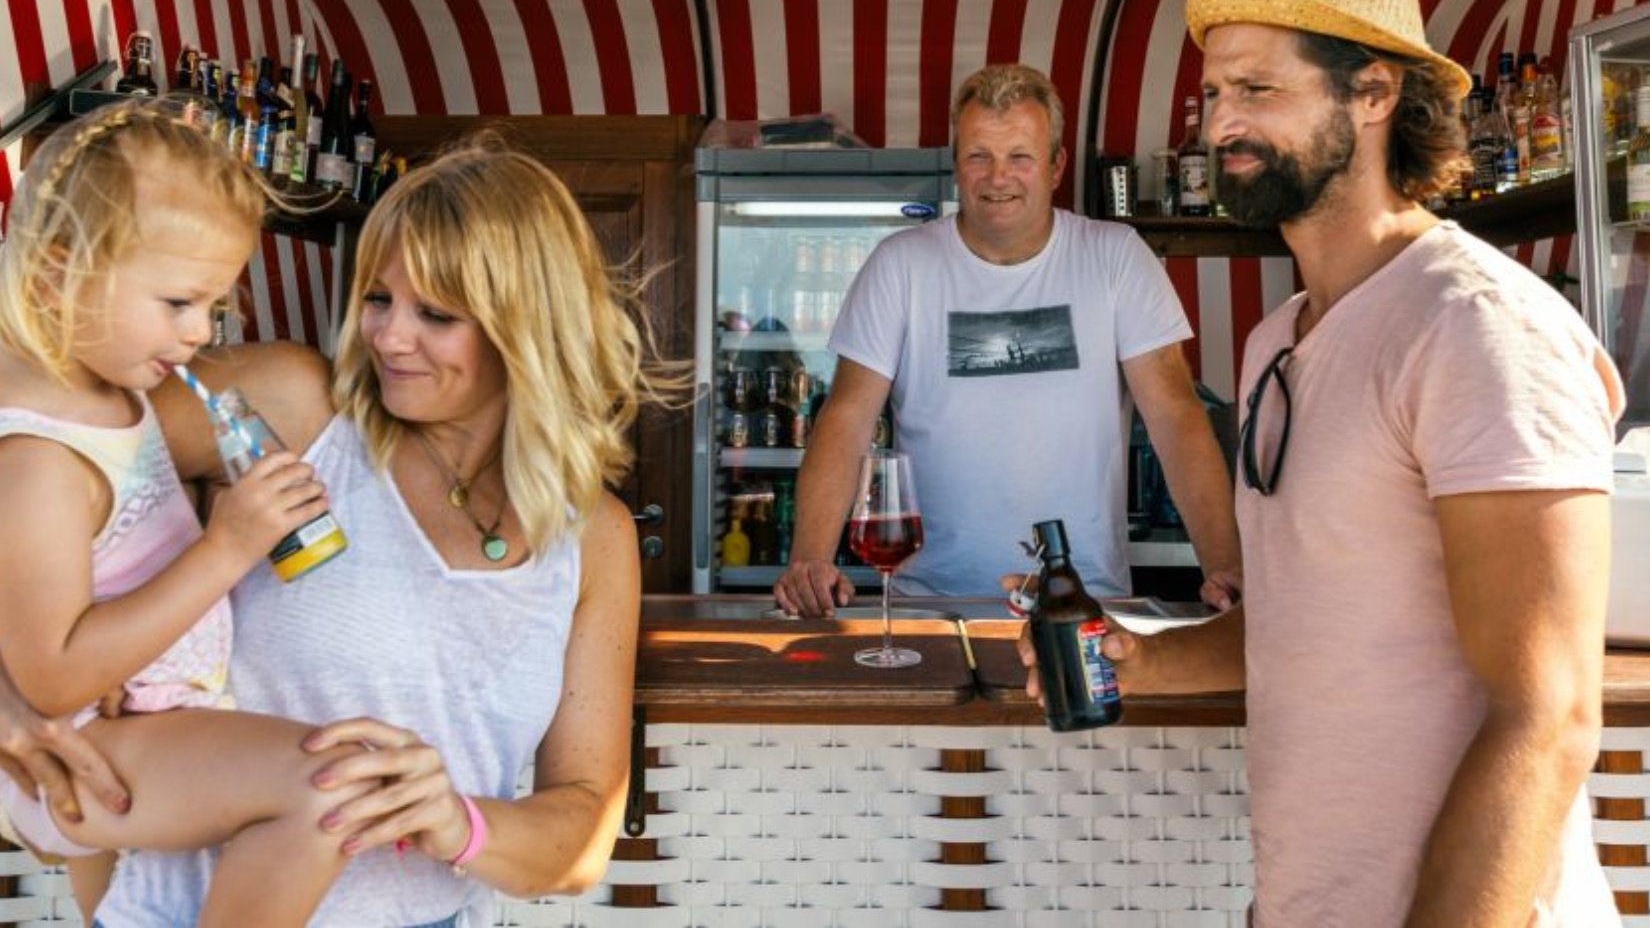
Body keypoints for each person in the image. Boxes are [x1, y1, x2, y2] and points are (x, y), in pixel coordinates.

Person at [1018, 0, 1623, 926]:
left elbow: (1548, 714)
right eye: (1215, 94)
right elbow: (1312, 621)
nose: (1222, 125)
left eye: (1260, 90)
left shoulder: (1476, 327)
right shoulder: (1277, 340)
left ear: (1375, 93)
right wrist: (1143, 658)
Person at [4, 135, 673, 926]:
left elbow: (583, 836)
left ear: (525, 328)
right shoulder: (294, 410)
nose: (388, 337)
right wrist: (15, 703)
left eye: (435, 313)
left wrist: (459, 821)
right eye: (378, 298)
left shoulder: (593, 535)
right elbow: (35, 451)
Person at [0, 102, 363, 926]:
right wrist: (229, 546)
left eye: (215, 308)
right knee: (331, 788)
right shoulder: (40, 461)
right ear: (59, 273)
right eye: (177, 302)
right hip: (90, 751)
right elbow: (51, 677)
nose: (200, 333)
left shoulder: (110, 392)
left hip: (143, 725)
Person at [775, 63, 1243, 618]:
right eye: (979, 156)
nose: (998, 177)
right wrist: (809, 558)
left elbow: (1175, 416)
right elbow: (846, 419)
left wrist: (1225, 567)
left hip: (1082, 602)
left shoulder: (1116, 256)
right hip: (931, 606)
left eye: (1019, 156)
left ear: (1055, 166)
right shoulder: (901, 264)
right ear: (957, 166)